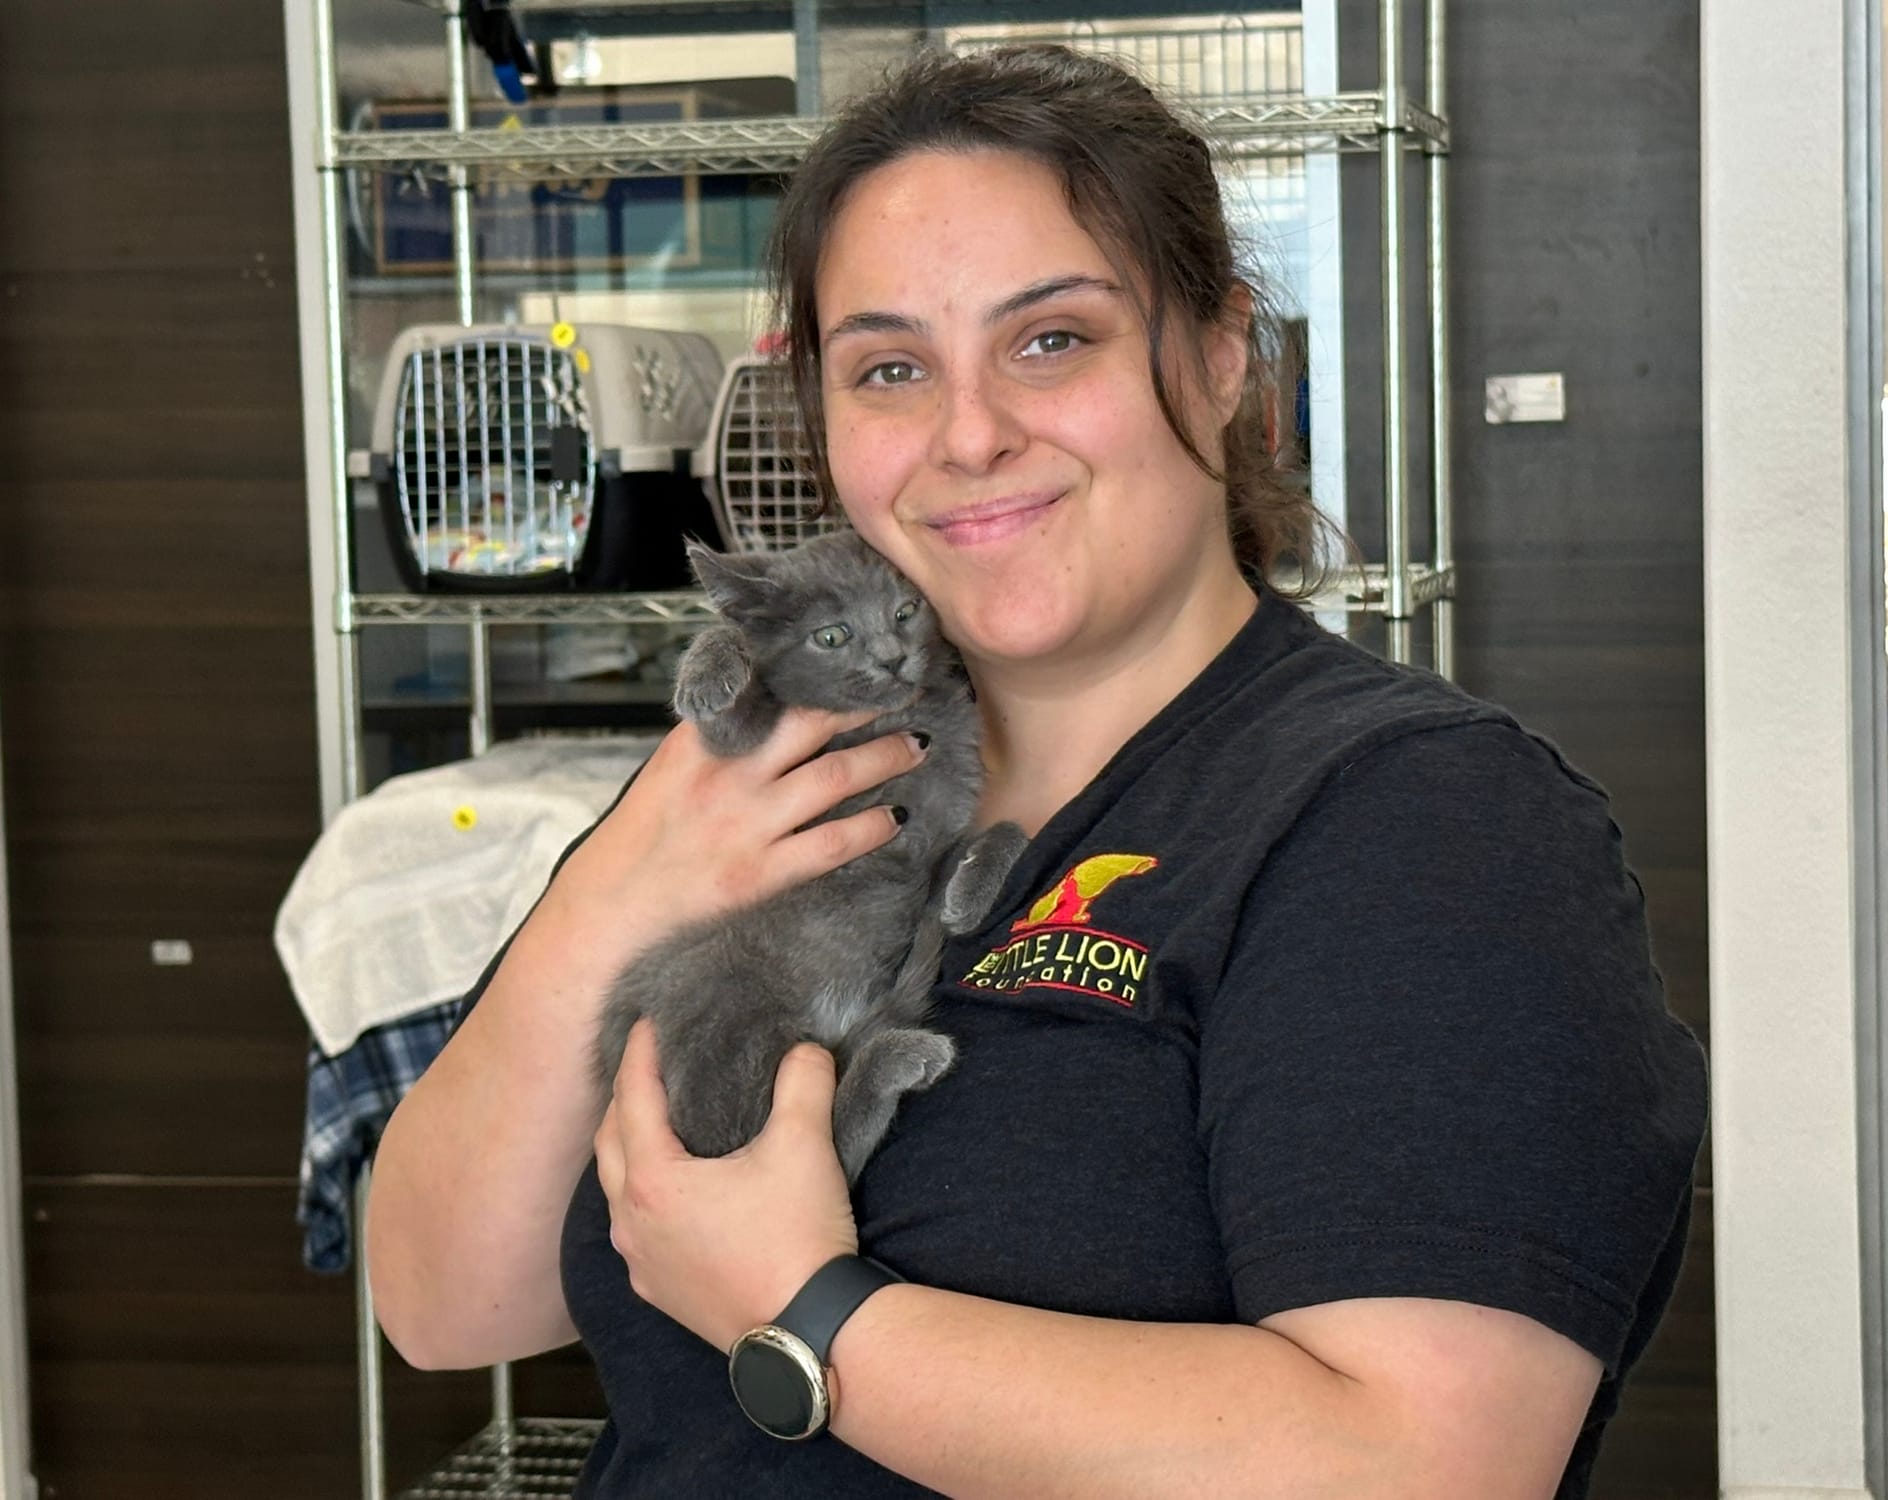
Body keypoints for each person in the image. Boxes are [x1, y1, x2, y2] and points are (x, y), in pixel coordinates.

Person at [365, 44, 1710, 1500]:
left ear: (1217, 354)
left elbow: (1419, 1463)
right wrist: (621, 875)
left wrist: (804, 1309)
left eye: (1051, 339)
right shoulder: (769, 792)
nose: (969, 433)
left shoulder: (1420, 820)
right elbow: (448, 1304)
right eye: (890, 367)